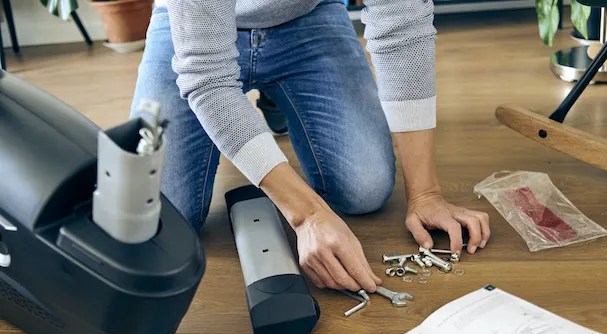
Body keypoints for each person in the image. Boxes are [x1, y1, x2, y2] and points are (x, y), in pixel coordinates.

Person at [130, 0, 491, 294]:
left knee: (365, 189)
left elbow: (403, 26)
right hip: (193, 31)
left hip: (308, 17)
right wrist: (308, 215)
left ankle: (275, 99)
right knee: (163, 214)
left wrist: (426, 193)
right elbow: (207, 77)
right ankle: (251, 110)